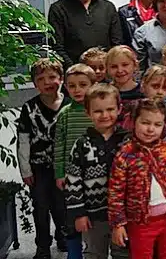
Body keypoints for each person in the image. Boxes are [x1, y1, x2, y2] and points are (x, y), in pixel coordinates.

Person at [108, 98, 166, 259]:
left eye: (157, 125)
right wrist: (118, 223)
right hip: (139, 223)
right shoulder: (125, 154)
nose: (151, 129)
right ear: (133, 122)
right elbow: (116, 193)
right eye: (145, 123)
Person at [64, 84, 129, 259]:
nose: (105, 115)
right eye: (98, 111)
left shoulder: (128, 141)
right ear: (88, 113)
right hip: (93, 215)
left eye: (110, 109)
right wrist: (78, 213)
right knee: (94, 253)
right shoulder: (81, 145)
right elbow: (73, 181)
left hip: (123, 215)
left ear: (119, 109)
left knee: (123, 253)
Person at [17, 59, 70, 258]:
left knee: (61, 205)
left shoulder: (69, 105)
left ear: (62, 79)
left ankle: (63, 236)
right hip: (38, 167)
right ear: (34, 84)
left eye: (52, 77)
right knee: (40, 206)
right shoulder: (29, 108)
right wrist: (25, 170)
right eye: (41, 78)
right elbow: (23, 140)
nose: (48, 82)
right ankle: (42, 245)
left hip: (63, 166)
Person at [53, 64, 97, 259]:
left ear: (93, 85)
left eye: (82, 85)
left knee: (94, 216)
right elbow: (59, 146)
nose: (77, 90)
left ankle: (94, 250)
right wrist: (59, 173)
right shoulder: (65, 114)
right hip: (71, 175)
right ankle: (74, 253)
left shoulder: (97, 112)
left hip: (95, 173)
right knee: (72, 216)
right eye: (71, 86)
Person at [48, 0, 122, 69]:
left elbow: (116, 46)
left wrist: (103, 71)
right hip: (75, 80)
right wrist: (80, 72)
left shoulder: (109, 8)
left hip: (105, 80)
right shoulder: (58, 9)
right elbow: (57, 48)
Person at [106, 46, 142, 113]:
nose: (120, 70)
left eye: (125, 65)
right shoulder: (104, 92)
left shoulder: (144, 91)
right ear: (107, 69)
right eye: (114, 66)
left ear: (135, 66)